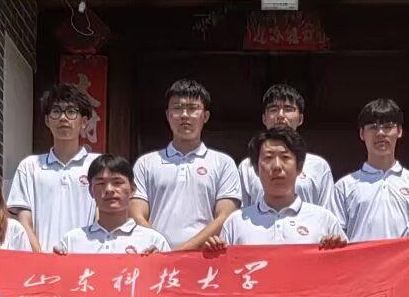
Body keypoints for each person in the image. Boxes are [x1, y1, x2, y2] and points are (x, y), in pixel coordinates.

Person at [131, 79, 243, 250]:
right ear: (168, 115)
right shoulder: (145, 164)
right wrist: (162, 249)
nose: (184, 115)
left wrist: (179, 252)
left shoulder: (223, 163)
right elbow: (137, 214)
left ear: (205, 116)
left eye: (192, 108)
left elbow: (225, 216)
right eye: (177, 108)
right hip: (155, 255)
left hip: (205, 256)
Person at [213, 128, 348, 247]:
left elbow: (346, 264)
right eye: (268, 158)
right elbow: (224, 266)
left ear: (299, 167)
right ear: (256, 169)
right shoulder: (236, 222)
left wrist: (335, 249)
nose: (277, 166)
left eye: (285, 157)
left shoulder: (324, 220)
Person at [7, 85, 98, 252]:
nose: (63, 118)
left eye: (71, 112)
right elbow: (23, 221)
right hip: (40, 261)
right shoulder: (29, 166)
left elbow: (102, 216)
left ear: (84, 122)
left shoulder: (98, 165)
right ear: (47, 121)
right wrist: (41, 258)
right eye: (56, 111)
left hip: (86, 261)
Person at [330, 98, 409, 242]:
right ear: (361, 133)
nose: (380, 133)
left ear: (399, 131)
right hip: (360, 257)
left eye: (388, 127)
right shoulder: (343, 187)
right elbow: (336, 238)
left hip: (405, 257)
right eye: (373, 127)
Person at [53, 155, 173, 254]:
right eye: (101, 183)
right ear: (90, 190)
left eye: (117, 183)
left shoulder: (153, 241)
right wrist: (57, 262)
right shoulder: (71, 241)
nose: (109, 189)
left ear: (132, 189)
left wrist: (158, 262)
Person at [238, 84, 335, 207]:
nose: (280, 116)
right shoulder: (247, 166)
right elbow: (242, 212)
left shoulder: (319, 166)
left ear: (300, 119)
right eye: (273, 109)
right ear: (264, 118)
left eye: (288, 109)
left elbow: (326, 212)